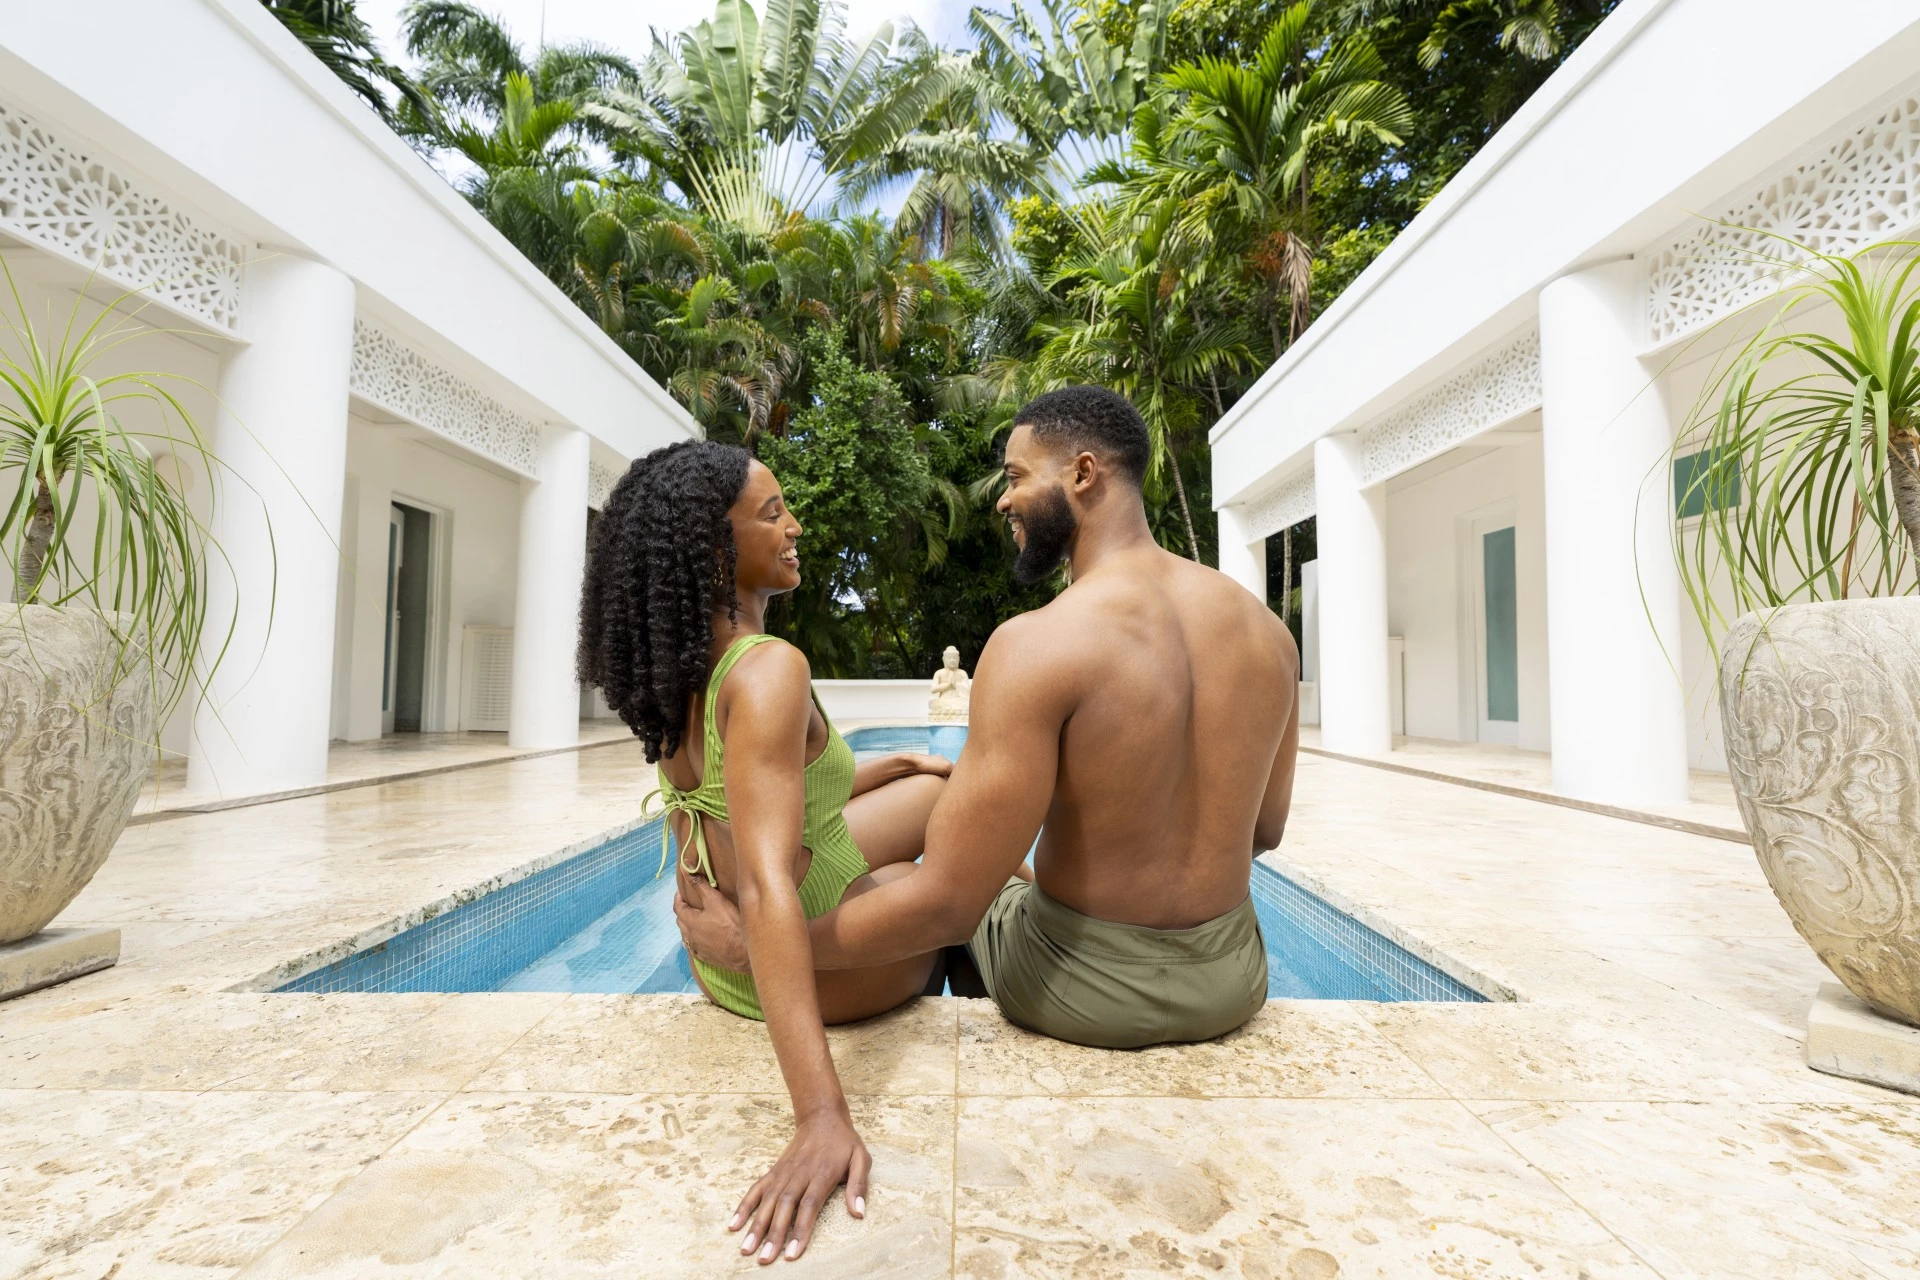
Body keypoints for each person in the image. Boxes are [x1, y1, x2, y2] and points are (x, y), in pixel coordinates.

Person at [677, 384, 1301, 1190]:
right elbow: (1266, 831)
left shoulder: (1040, 645)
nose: (1004, 498)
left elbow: (945, 905)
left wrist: (761, 948)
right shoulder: (1268, 633)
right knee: (988, 862)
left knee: (943, 889)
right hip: (1232, 978)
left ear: (1083, 474)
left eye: (1016, 474)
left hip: (1082, 991)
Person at [578, 440, 953, 1267]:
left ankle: (933, 806)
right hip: (803, 965)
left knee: (934, 794)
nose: (796, 525)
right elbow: (772, 887)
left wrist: (902, 762)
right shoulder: (768, 671)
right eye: (773, 512)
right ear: (716, 547)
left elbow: (767, 795)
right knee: (936, 890)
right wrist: (820, 1115)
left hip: (713, 966)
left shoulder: (675, 670)